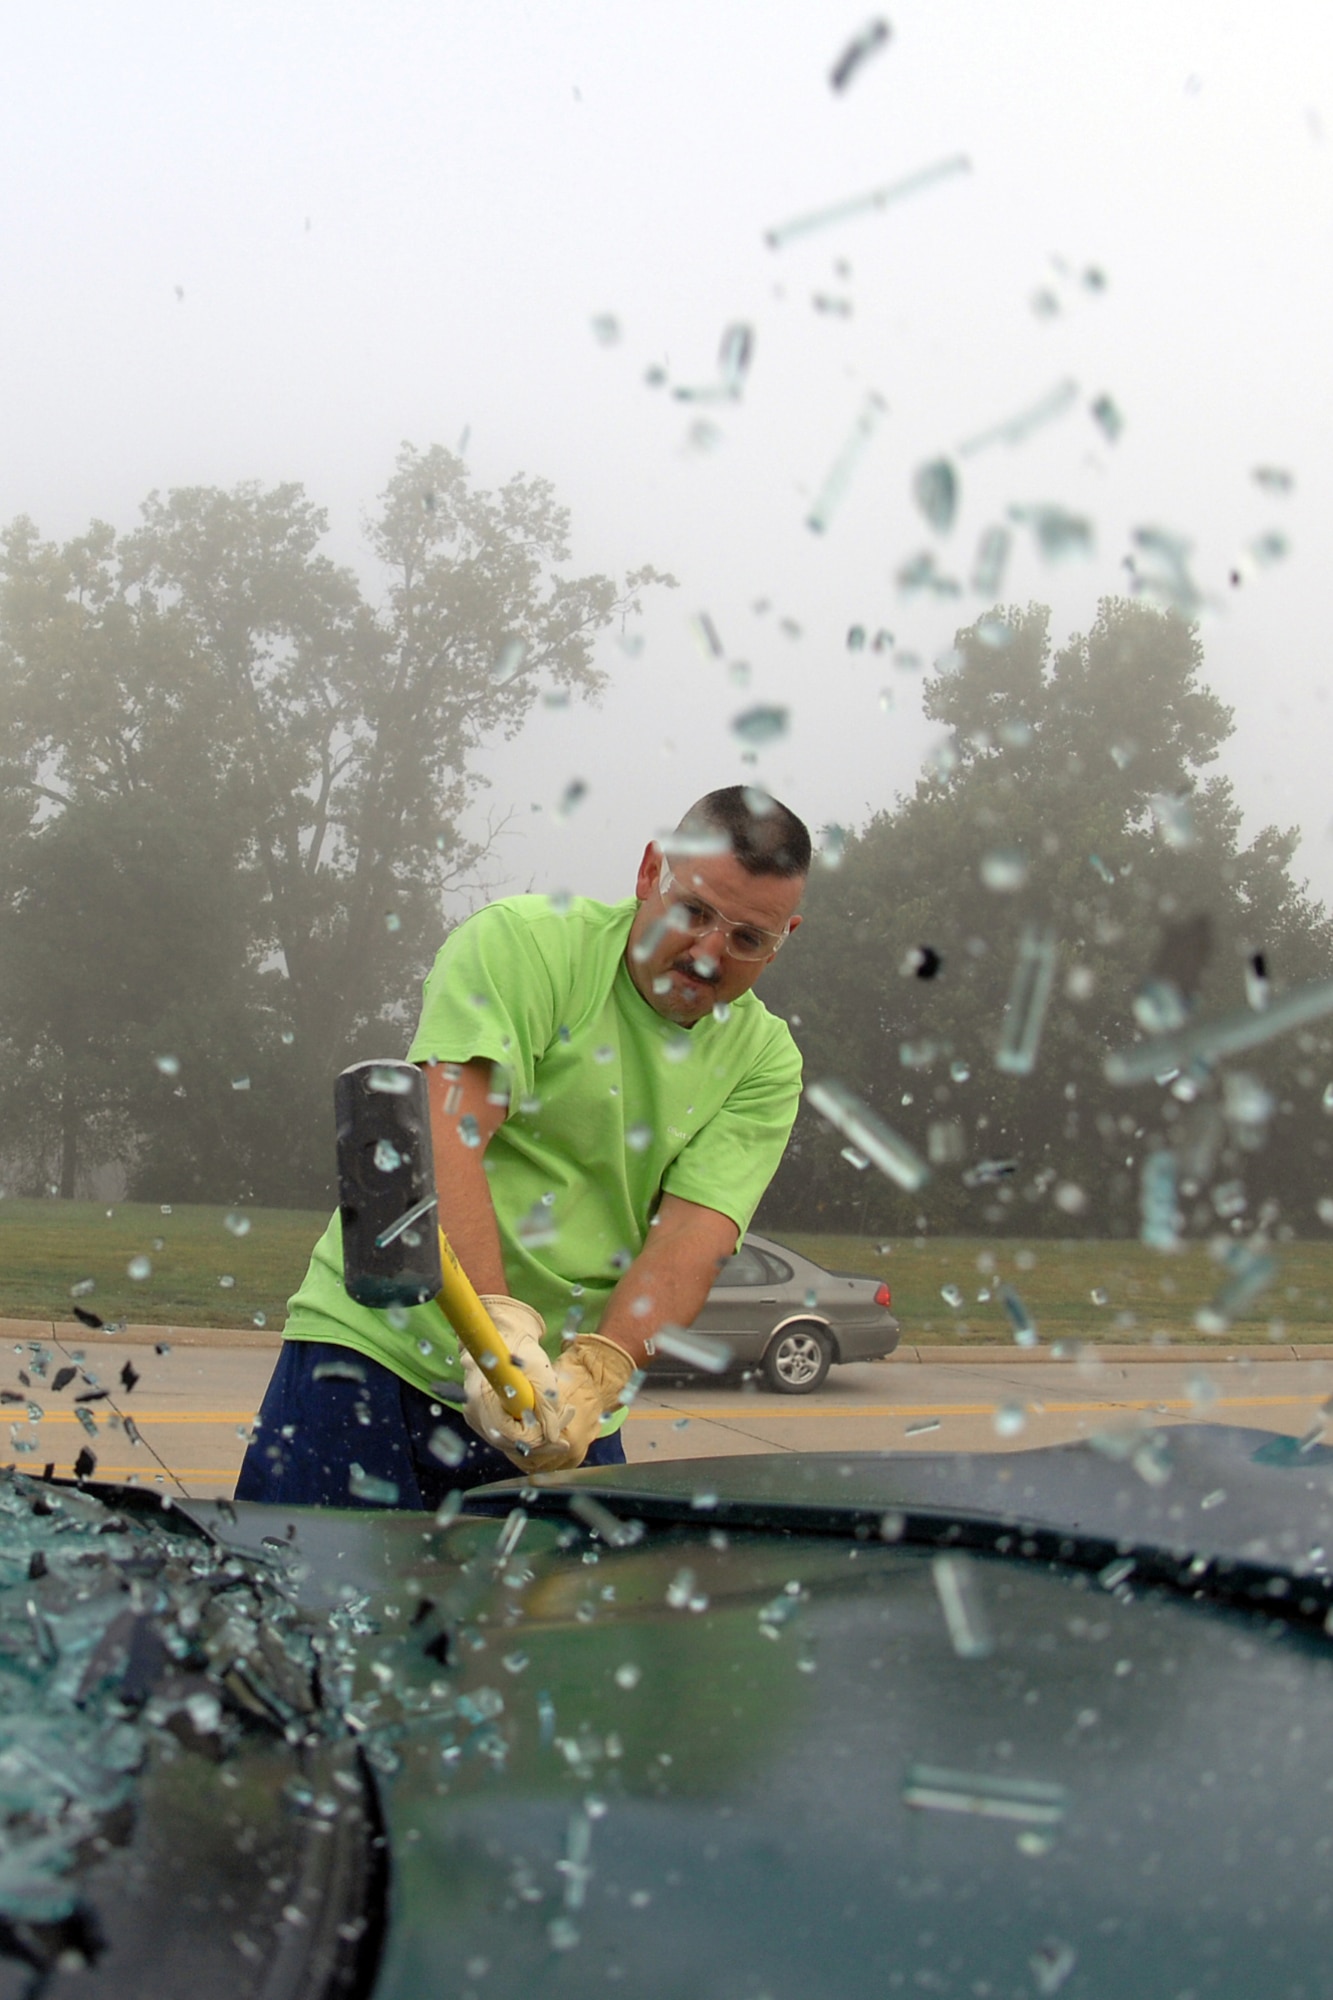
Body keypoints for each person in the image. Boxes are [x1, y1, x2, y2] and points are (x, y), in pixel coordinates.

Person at [235, 785, 809, 1510]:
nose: (706, 953)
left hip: (561, 1416)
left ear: (784, 936)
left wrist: (595, 1376)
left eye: (746, 939)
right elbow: (448, 1133)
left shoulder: (765, 1063)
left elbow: (691, 1241)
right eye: (693, 911)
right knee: (303, 1611)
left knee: (537, 1629)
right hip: (373, 1356)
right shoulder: (526, 944)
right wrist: (497, 1334)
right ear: (649, 871)